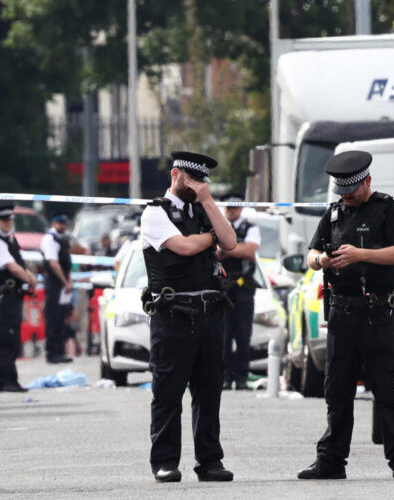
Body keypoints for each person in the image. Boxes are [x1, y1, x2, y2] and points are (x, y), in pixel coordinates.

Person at [297, 150, 394, 480]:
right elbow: (312, 252)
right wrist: (320, 261)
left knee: (389, 389)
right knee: (337, 391)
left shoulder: (388, 210)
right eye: (342, 193)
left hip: (378, 314)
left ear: (367, 182)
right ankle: (331, 460)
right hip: (342, 314)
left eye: (351, 192)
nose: (347, 198)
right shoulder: (334, 214)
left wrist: (360, 254)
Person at [142, 151, 237, 483]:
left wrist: (208, 201)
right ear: (176, 175)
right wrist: (208, 239)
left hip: (210, 314)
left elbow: (230, 241)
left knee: (209, 393)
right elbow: (182, 247)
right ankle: (165, 462)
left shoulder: (203, 209)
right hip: (173, 316)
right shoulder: (155, 213)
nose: (197, 185)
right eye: (192, 179)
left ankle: (209, 461)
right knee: (168, 394)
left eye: (202, 180)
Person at [0, 204, 38, 393]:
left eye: (10, 220)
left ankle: (11, 379)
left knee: (13, 338)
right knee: (6, 338)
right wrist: (30, 279)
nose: (9, 223)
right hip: (6, 296)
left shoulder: (10, 240)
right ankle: (3, 380)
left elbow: (18, 264)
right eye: (5, 220)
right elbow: (12, 268)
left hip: (15, 296)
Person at [216, 193, 260, 391]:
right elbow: (214, 252)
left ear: (241, 208)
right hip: (222, 287)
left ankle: (241, 376)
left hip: (243, 288)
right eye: (228, 208)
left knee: (243, 335)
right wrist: (234, 248)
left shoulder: (250, 227)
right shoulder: (219, 226)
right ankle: (224, 375)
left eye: (234, 208)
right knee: (222, 336)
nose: (231, 211)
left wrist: (226, 249)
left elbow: (249, 251)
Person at [40, 213, 74, 364]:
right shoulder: (50, 239)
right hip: (54, 283)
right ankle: (52, 352)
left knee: (61, 319)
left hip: (62, 283)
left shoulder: (63, 239)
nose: (63, 226)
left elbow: (67, 264)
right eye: (60, 223)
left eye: (64, 224)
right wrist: (65, 282)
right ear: (53, 223)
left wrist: (69, 281)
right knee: (53, 318)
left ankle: (59, 351)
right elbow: (53, 263)